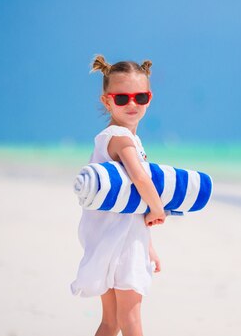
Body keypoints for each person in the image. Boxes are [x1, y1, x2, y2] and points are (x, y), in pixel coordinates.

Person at [71, 54, 167, 336]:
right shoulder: (121, 139)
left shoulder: (111, 137)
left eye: (141, 97)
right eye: (122, 98)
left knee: (110, 322)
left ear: (150, 97)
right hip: (121, 245)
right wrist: (158, 208)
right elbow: (140, 178)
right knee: (131, 319)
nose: (133, 104)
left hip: (112, 239)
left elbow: (128, 204)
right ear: (107, 101)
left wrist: (147, 246)